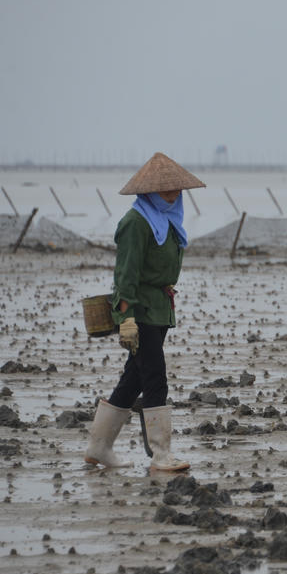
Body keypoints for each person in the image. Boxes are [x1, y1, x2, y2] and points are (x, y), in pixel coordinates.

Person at [83, 152, 205, 472]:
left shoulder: (168, 221)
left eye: (176, 188)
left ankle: (99, 447)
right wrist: (126, 319)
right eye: (165, 189)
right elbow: (126, 275)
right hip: (141, 312)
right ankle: (161, 454)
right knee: (154, 378)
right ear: (148, 191)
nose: (173, 193)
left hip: (159, 309)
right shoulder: (135, 223)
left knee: (133, 378)